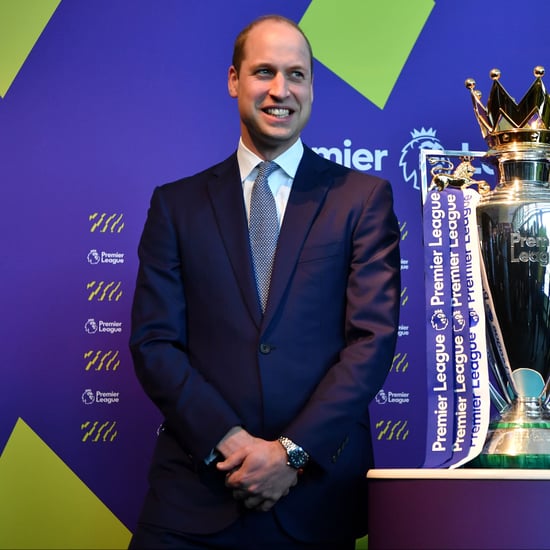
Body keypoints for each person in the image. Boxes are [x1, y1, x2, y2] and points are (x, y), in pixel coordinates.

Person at [129, 13, 401, 550]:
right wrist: (229, 443)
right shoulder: (176, 205)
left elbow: (371, 341)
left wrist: (290, 453)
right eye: (264, 72)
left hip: (314, 501)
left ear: (312, 87)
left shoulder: (362, 199)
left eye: (296, 75)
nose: (281, 90)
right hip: (194, 495)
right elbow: (155, 343)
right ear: (234, 80)